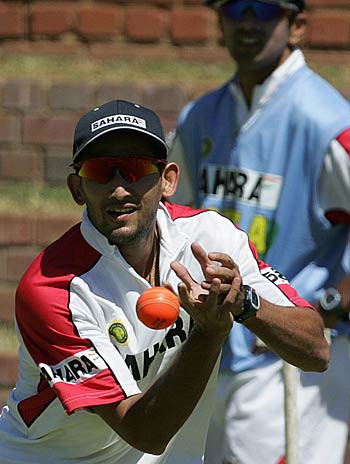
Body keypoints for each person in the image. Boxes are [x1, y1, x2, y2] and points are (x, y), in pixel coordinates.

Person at [0, 99, 329, 464]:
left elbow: (316, 351)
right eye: (100, 170)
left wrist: (245, 303)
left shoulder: (211, 237)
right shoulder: (53, 288)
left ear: (168, 179)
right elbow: (146, 433)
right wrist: (211, 330)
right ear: (77, 189)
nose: (119, 188)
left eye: (135, 168)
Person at [168, 0, 350, 463]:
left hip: (290, 363)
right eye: (233, 10)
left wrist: (333, 303)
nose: (246, 24)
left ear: (297, 25)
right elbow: (170, 216)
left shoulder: (328, 122)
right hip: (207, 352)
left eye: (262, 12)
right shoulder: (200, 116)